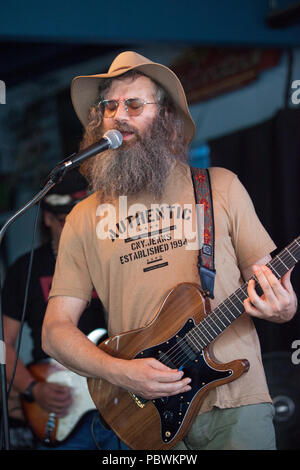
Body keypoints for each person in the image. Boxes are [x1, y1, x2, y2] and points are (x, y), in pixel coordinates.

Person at [42, 51, 298, 451]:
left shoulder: (219, 186)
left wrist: (283, 308)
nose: (118, 115)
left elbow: (270, 283)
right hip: (145, 419)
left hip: (235, 403)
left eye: (134, 104)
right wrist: (120, 372)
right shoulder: (82, 218)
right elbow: (55, 333)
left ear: (163, 117)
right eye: (109, 106)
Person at [2, 170, 126, 450]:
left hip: (120, 399)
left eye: (80, 220)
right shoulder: (26, 269)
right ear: (47, 218)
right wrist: (33, 389)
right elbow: (1, 344)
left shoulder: (113, 258)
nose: (72, 228)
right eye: (64, 220)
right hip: (60, 406)